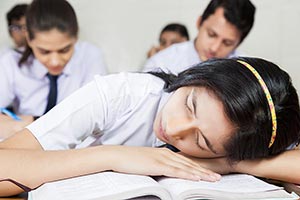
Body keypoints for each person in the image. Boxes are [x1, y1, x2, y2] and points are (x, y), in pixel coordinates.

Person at [0, 57, 300, 197]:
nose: (175, 127)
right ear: (199, 74)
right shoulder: (123, 94)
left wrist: (234, 164)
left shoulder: (246, 132)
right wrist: (112, 156)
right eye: (190, 103)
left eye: (201, 141)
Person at [0, 0, 107, 140]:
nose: (55, 61)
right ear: (29, 39)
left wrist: (31, 122)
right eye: (44, 51)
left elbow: (95, 117)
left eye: (64, 50)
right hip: (27, 147)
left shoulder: (90, 56)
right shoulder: (10, 62)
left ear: (75, 37)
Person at [143, 0, 255, 74]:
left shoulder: (247, 74)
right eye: (211, 34)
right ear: (199, 22)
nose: (214, 48)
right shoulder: (161, 64)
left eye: (227, 43)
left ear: (239, 43)